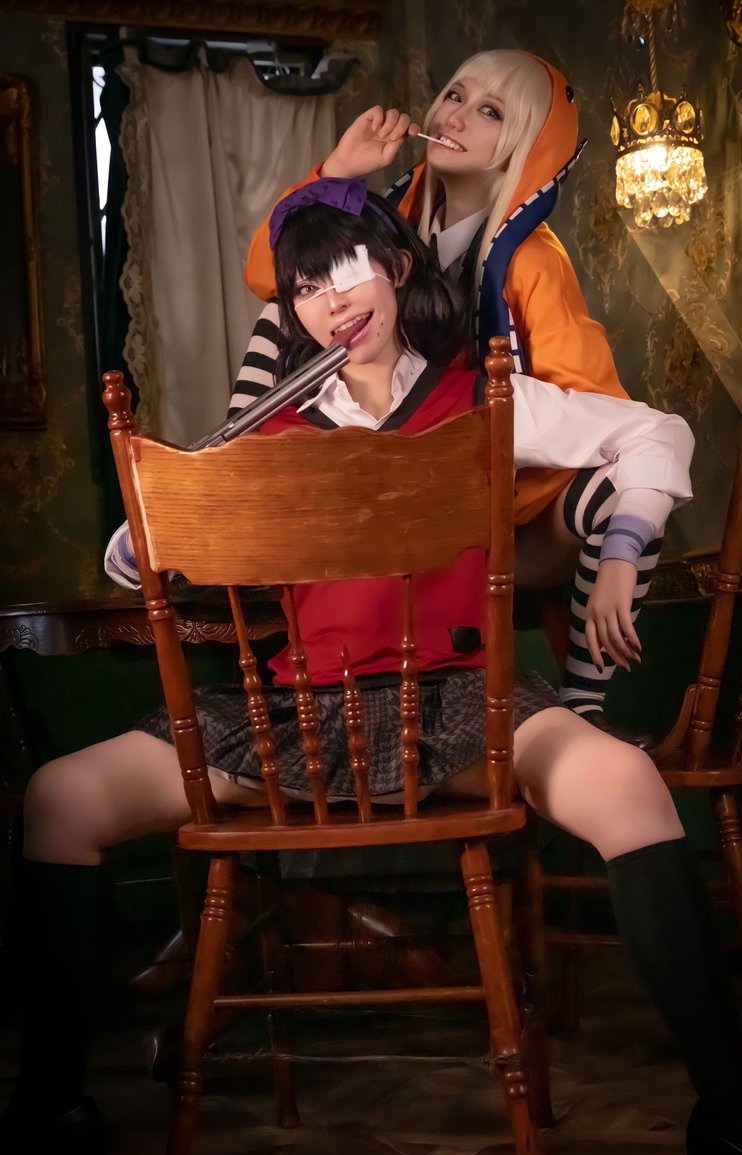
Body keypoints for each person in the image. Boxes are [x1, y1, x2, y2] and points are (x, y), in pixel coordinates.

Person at [2, 185, 742, 1155]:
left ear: (397, 267)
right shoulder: (272, 431)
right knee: (60, 798)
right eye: (304, 287)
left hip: (462, 699)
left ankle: (734, 1129)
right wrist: (156, 528)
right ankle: (49, 1119)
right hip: (300, 716)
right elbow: (136, 557)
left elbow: (655, 433)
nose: (331, 299)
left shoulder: (484, 401)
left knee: (630, 789)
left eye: (348, 268)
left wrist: (620, 550)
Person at [238, 49, 662, 745]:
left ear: (524, 146)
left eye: (490, 111)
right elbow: (269, 276)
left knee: (616, 488)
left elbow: (597, 410)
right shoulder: (388, 215)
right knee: (274, 316)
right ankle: (235, 470)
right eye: (455, 96)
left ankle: (584, 705)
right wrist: (339, 171)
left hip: (499, 515)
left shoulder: (532, 261)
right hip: (390, 490)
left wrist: (485, 483)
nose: (457, 116)